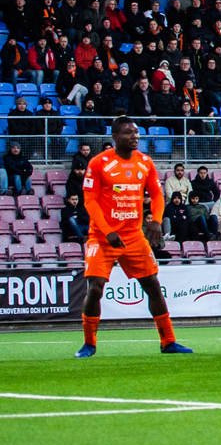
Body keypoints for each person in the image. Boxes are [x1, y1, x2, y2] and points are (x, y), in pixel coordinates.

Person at [75, 117, 193, 358]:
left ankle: (168, 340)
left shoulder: (145, 163)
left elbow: (158, 196)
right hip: (101, 236)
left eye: (137, 133)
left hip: (133, 236)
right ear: (116, 137)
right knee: (95, 287)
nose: (135, 137)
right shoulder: (99, 163)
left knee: (152, 285)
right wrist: (108, 231)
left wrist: (157, 220)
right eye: (129, 133)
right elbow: (90, 201)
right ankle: (89, 343)